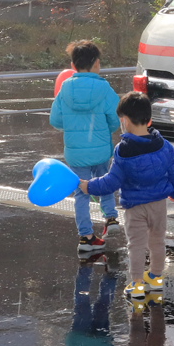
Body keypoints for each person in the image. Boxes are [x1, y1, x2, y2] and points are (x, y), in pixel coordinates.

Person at [79, 92, 174, 301]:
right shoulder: (164, 146)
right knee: (157, 242)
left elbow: (111, 182)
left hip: (135, 208)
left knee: (136, 246)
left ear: (125, 121)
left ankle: (136, 285)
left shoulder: (123, 151)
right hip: (158, 205)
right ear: (149, 120)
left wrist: (89, 186)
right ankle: (155, 279)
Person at [51, 41, 121, 253]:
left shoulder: (65, 89)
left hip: (75, 152)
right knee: (104, 182)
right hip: (100, 148)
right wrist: (106, 131)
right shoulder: (104, 88)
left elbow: (55, 120)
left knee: (81, 193)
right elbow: (115, 118)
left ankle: (86, 237)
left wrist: (70, 126)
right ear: (97, 63)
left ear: (73, 65)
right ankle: (110, 217)